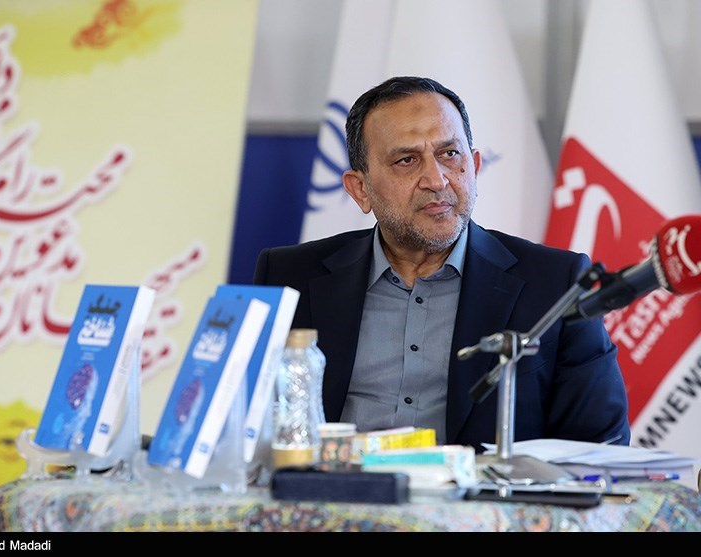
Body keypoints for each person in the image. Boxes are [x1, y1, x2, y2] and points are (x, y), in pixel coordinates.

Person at [253, 76, 631, 451]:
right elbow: (246, 427)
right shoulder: (290, 278)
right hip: (332, 488)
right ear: (360, 189)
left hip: (483, 492)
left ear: (475, 166)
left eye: (450, 154)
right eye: (406, 160)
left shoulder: (556, 284)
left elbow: (600, 447)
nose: (436, 180)